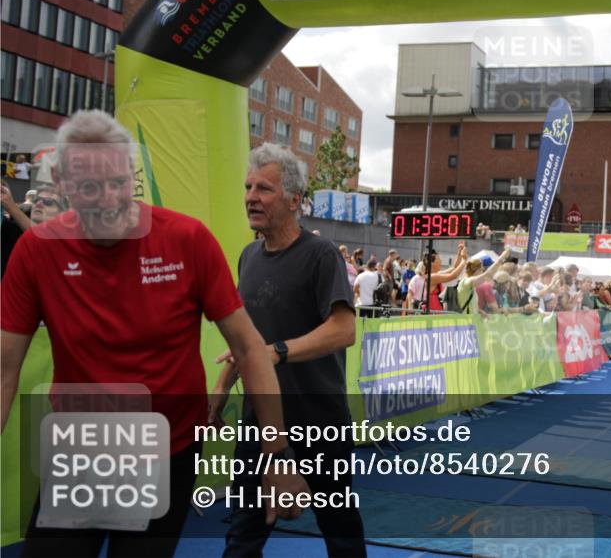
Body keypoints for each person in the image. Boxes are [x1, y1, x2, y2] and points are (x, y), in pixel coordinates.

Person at [1, 112, 307, 557]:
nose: (107, 199)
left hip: (167, 450)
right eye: (89, 187)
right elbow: (6, 369)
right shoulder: (37, 251)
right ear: (66, 188)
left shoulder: (187, 240)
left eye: (117, 183)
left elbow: (248, 348)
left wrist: (276, 455)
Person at [211, 143, 365, 557]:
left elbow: (343, 329)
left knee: (341, 530)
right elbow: (246, 340)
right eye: (248, 187)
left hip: (320, 422)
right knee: (243, 533)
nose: (250, 197)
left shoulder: (322, 255)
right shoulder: (247, 257)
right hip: (259, 424)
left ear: (295, 200)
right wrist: (220, 391)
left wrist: (277, 351)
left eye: (264, 188)